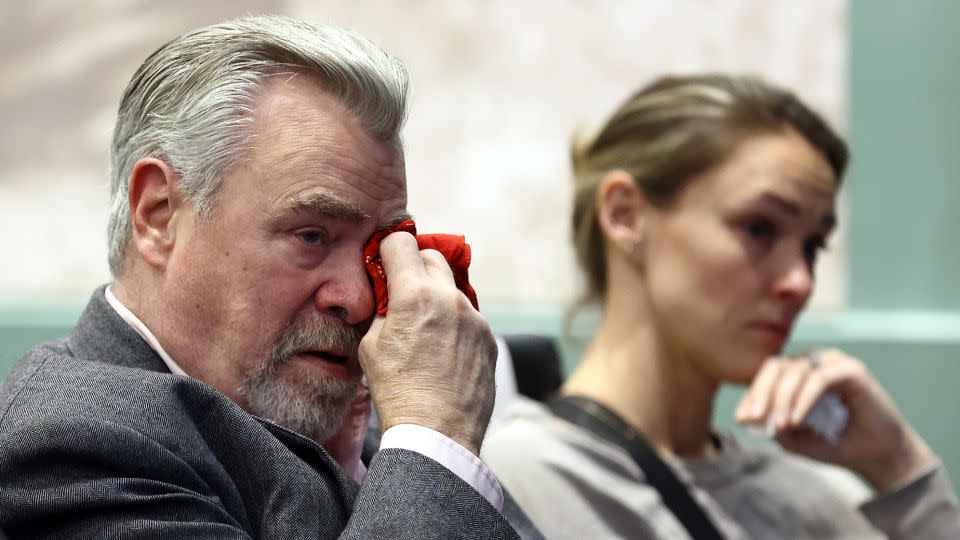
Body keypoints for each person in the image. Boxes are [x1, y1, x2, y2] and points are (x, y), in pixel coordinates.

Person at [0, 16, 523, 539]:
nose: (360, 300)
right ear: (158, 215)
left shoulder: (370, 430)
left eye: (376, 247)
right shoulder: (77, 441)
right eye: (311, 236)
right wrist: (436, 439)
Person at [482, 74, 960, 539]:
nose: (801, 281)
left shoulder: (819, 499)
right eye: (759, 228)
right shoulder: (504, 485)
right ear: (625, 215)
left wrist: (898, 464)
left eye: (813, 246)